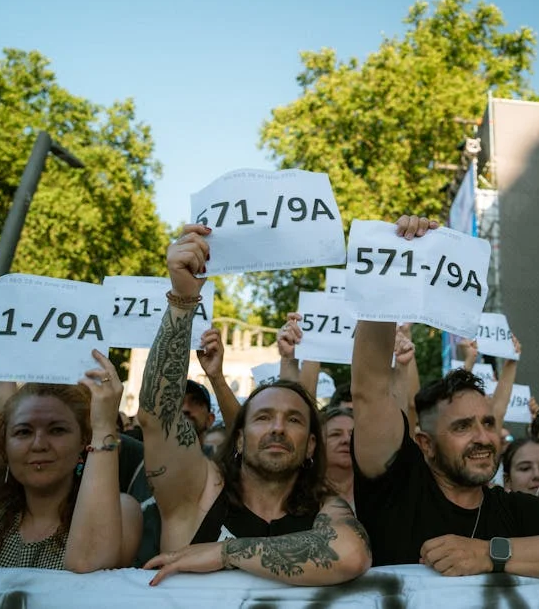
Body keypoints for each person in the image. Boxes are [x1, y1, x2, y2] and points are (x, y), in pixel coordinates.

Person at [351, 215, 539, 578]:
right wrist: (392, 263)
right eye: (462, 427)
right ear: (425, 443)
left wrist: (490, 554)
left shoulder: (514, 511)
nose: (483, 437)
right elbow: (370, 388)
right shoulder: (398, 489)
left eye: (487, 422)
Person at [138, 224, 370, 586]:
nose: (278, 427)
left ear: (311, 444)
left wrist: (225, 552)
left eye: (293, 420)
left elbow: (351, 554)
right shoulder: (198, 489)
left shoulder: (325, 506)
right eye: (263, 417)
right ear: (240, 437)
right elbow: (158, 414)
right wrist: (182, 301)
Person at [0, 351, 142, 570]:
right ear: (5, 447)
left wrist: (104, 426)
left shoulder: (122, 510)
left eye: (57, 430)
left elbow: (89, 565)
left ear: (83, 443)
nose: (39, 444)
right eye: (23, 432)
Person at [321, 407, 354, 508]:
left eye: (352, 434)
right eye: (335, 434)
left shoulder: (378, 490)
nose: (346, 440)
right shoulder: (303, 493)